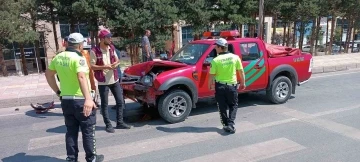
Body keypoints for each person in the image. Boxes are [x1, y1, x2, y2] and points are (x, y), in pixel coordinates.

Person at [45, 33, 104, 162]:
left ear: (67, 43)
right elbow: (81, 77)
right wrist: (88, 99)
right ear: (80, 45)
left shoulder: (58, 57)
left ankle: (71, 158)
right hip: (81, 100)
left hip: (66, 100)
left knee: (71, 131)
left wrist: (58, 91)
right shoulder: (79, 58)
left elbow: (48, 75)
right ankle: (91, 158)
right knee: (88, 131)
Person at [90, 29, 131, 133]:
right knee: (104, 104)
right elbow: (92, 66)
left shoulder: (111, 48)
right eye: (108, 37)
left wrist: (114, 65)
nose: (110, 39)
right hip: (103, 82)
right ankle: (108, 125)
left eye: (110, 37)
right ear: (103, 39)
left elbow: (117, 61)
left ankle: (120, 123)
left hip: (114, 79)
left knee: (120, 102)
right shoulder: (94, 51)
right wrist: (104, 66)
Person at [209, 38, 246, 134]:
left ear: (220, 47)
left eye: (216, 46)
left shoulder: (215, 60)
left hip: (220, 86)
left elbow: (211, 75)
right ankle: (230, 124)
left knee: (222, 106)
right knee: (233, 105)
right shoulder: (235, 57)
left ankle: (226, 124)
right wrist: (243, 82)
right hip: (232, 86)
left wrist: (210, 85)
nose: (215, 48)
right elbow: (241, 71)